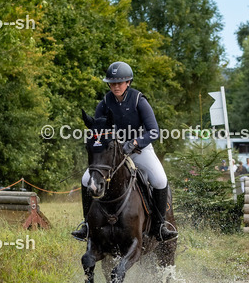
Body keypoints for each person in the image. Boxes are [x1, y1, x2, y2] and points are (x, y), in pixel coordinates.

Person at [72, 61, 177, 242]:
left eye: (119, 83)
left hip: (139, 150)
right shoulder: (104, 103)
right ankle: (87, 225)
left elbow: (154, 131)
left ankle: (160, 226)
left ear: (128, 82)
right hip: (113, 153)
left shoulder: (139, 101)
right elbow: (99, 132)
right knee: (85, 179)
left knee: (160, 180)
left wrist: (135, 142)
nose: (115, 86)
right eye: (112, 83)